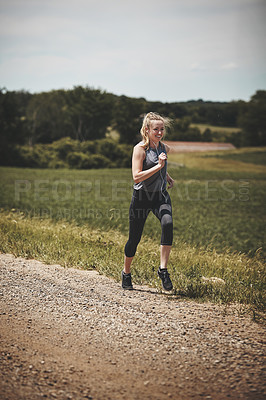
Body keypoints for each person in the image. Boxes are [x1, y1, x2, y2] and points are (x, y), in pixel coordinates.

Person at [122, 112, 175, 291]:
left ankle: (163, 270)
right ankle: (126, 273)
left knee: (167, 223)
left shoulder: (163, 147)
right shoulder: (140, 149)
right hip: (142, 198)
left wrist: (166, 176)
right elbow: (137, 177)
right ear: (147, 130)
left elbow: (161, 165)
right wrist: (159, 167)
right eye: (156, 129)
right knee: (134, 239)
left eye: (162, 129)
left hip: (160, 196)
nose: (159, 132)